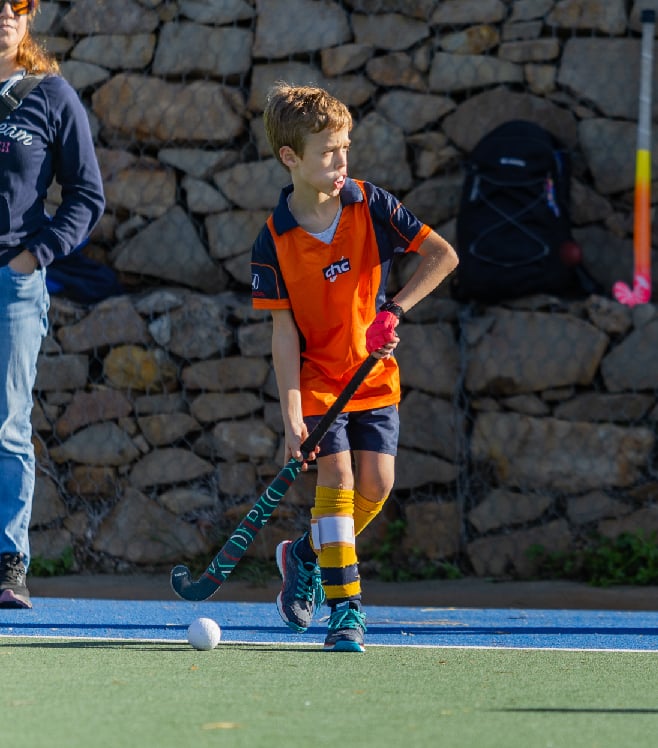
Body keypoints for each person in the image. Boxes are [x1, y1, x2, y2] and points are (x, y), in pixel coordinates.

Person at [251, 82, 458, 652]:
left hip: (374, 379)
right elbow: (283, 332)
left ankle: (303, 553)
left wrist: (395, 309)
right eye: (327, 151)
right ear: (290, 157)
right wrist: (292, 416)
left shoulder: (372, 204)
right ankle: (347, 613)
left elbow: (444, 255)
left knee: (377, 485)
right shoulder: (273, 241)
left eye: (345, 146)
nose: (341, 160)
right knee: (338, 483)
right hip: (319, 384)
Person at [0, 0, 105, 608]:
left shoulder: (51, 95)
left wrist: (32, 257)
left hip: (12, 285)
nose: (5, 13)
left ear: (30, 16)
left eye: (17, 4)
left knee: (6, 424)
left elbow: (86, 195)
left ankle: (7, 564)